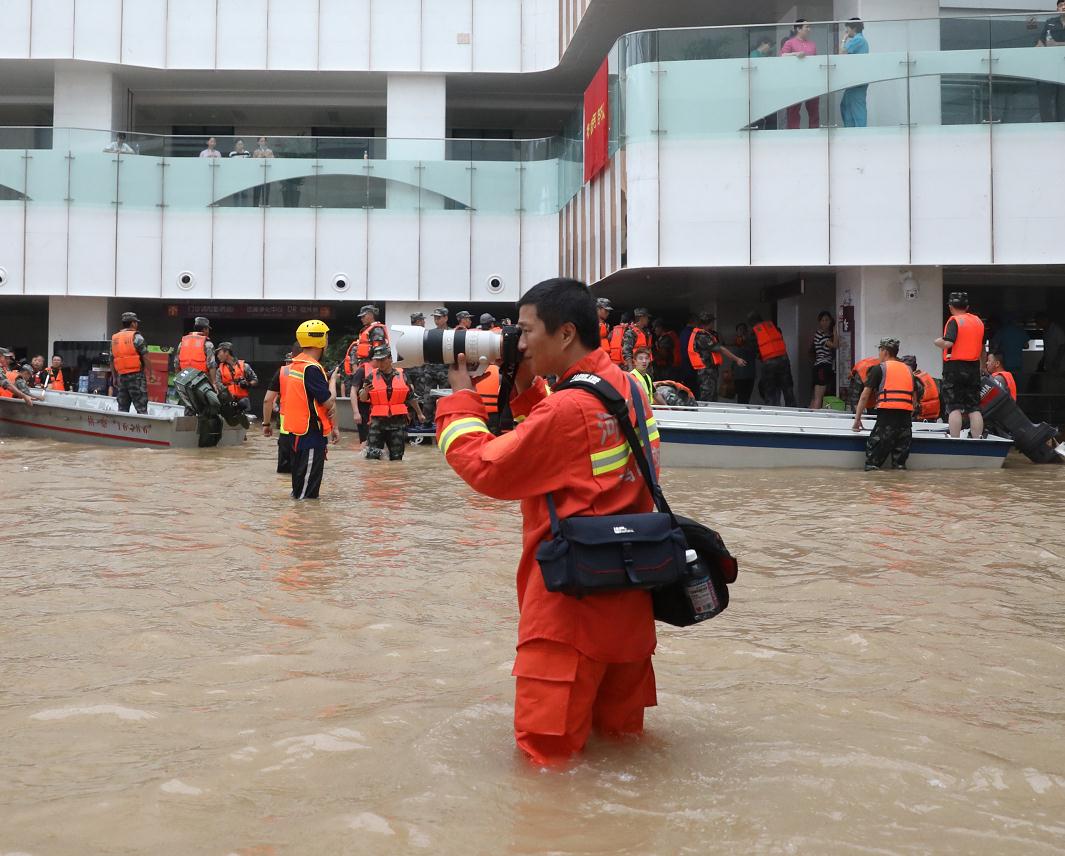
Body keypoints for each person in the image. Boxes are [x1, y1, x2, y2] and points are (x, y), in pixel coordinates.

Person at [435, 277, 659, 766]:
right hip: (627, 601)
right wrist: (524, 389)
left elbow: (486, 469)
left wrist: (460, 401)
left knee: (546, 765)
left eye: (526, 329)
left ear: (564, 334)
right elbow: (579, 449)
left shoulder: (566, 406)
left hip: (568, 608)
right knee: (622, 752)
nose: (519, 341)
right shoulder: (628, 386)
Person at [282, 320, 339, 500]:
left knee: (299, 489)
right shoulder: (312, 369)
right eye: (326, 336)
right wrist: (332, 382)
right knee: (306, 497)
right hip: (310, 435)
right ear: (321, 340)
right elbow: (328, 401)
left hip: (299, 433)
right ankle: (305, 527)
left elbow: (308, 397)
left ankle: (299, 526)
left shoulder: (297, 364)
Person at [852, 338, 915, 471]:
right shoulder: (908, 370)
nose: (879, 354)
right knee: (899, 467)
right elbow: (913, 398)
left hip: (886, 422)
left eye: (879, 350)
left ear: (884, 351)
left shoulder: (879, 369)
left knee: (872, 466)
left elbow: (864, 396)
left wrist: (857, 419)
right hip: (905, 425)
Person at [358, 345, 424, 461]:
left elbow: (411, 396)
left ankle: (393, 478)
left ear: (390, 359)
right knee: (372, 458)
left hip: (397, 423)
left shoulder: (402, 375)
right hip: (377, 424)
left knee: (397, 459)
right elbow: (363, 398)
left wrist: (419, 413)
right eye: (377, 360)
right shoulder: (371, 376)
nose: (380, 363)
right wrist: (365, 391)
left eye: (382, 360)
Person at [934, 291, 985, 439]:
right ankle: (977, 438)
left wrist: (937, 342)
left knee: (954, 406)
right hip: (973, 367)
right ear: (967, 306)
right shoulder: (978, 322)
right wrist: (982, 366)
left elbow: (948, 342)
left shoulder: (954, 321)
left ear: (950, 307)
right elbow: (982, 348)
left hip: (955, 368)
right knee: (974, 407)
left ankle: (955, 438)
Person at [689, 312, 747, 403]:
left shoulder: (704, 334)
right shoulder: (702, 336)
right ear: (709, 322)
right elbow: (720, 349)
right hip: (706, 372)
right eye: (712, 322)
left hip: (707, 371)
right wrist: (737, 359)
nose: (713, 324)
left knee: (711, 396)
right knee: (708, 397)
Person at [110, 312, 158, 414]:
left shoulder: (115, 339)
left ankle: (123, 428)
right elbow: (146, 357)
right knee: (141, 408)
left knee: (122, 409)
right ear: (132, 323)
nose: (137, 324)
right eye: (136, 322)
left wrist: (114, 377)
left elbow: (112, 359)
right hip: (137, 378)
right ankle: (142, 429)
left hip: (122, 378)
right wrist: (152, 374)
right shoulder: (137, 337)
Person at [262, 344, 298, 474]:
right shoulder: (313, 370)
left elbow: (267, 400)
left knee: (284, 471)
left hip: (287, 427)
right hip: (307, 429)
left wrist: (266, 423)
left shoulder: (282, 372)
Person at [748, 312, 797, 407]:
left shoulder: (754, 332)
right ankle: (792, 410)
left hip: (768, 362)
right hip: (783, 360)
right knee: (787, 388)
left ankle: (772, 410)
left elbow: (753, 349)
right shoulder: (773, 326)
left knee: (770, 389)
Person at [781, 20, 820, 129]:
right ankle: (794, 136)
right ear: (798, 29)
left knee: (814, 110)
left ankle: (815, 134)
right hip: (795, 82)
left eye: (809, 27)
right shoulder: (789, 43)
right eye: (806, 27)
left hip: (811, 82)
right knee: (793, 111)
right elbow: (782, 57)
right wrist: (795, 54)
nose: (809, 29)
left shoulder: (812, 44)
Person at [343, 305, 389, 394]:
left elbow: (378, 354)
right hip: (363, 367)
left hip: (372, 368)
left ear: (371, 315)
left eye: (363, 316)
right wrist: (356, 368)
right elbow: (357, 349)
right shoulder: (366, 330)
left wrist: (365, 371)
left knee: (366, 393)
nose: (361, 319)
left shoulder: (377, 330)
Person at [1036, 1, 1065, 122]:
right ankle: (1048, 127)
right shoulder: (1050, 22)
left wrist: (1055, 44)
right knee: (1046, 99)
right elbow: (1040, 43)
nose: (1063, 6)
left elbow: (1051, 44)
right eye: (1060, 5)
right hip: (1051, 68)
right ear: (1057, 8)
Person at [839, 19, 869, 128]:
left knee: (857, 107)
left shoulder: (858, 40)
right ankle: (850, 130)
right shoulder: (860, 40)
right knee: (846, 105)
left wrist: (843, 39)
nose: (846, 32)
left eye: (847, 29)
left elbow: (841, 53)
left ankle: (859, 133)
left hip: (857, 81)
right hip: (854, 80)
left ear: (854, 28)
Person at [175, 316, 218, 389]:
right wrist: (214, 383)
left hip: (185, 380)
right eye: (208, 329)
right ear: (204, 329)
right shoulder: (207, 344)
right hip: (202, 382)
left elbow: (176, 363)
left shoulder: (182, 343)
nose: (208, 332)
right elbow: (211, 365)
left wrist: (178, 380)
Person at [216, 343, 258, 413]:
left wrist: (248, 384)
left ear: (226, 352)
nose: (217, 356)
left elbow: (255, 380)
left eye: (219, 353)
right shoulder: (219, 370)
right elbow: (218, 385)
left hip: (243, 402)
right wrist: (228, 394)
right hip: (228, 403)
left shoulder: (244, 366)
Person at [810, 310, 838, 409]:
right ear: (819, 322)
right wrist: (836, 333)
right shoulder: (820, 335)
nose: (825, 322)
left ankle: (810, 415)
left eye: (827, 320)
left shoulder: (826, 335)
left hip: (821, 367)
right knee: (818, 396)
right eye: (822, 320)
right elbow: (835, 345)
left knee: (815, 396)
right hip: (822, 367)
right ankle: (814, 419)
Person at [900, 355, 941, 421]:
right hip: (931, 420)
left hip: (915, 420)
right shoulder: (931, 380)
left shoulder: (908, 381)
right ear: (915, 366)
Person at [730, 323, 757, 404]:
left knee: (746, 397)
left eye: (743, 330)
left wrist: (747, 340)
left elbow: (754, 353)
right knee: (741, 398)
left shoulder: (752, 342)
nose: (742, 332)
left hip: (749, 374)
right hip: (739, 375)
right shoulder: (735, 344)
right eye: (740, 330)